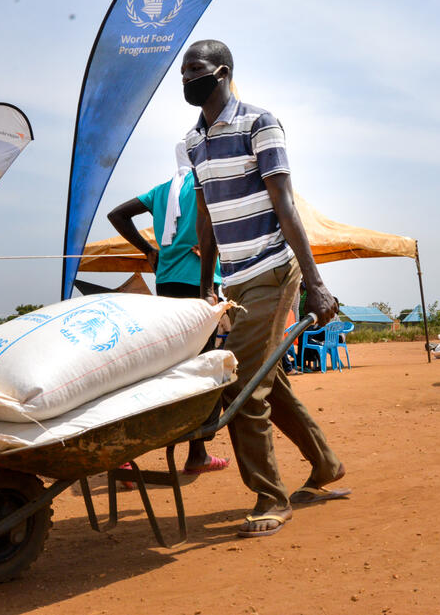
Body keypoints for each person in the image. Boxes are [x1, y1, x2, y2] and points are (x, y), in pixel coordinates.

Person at [181, 38, 348, 538]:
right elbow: (208, 214)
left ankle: (271, 497)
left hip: (275, 271)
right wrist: (205, 283)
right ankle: (325, 464)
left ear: (223, 72)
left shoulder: (259, 123)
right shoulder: (193, 142)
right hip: (234, 280)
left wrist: (315, 282)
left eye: (198, 71)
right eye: (184, 75)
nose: (189, 81)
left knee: (240, 384)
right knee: (267, 382)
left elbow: (284, 203)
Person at [107, 140, 229, 475]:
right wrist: (210, 285)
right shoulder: (205, 186)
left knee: (165, 367)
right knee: (199, 370)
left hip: (167, 284)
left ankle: (123, 450)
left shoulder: (162, 191)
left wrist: (149, 250)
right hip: (199, 287)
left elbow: (116, 214)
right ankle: (196, 453)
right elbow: (214, 234)